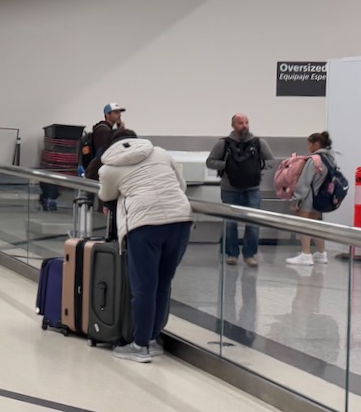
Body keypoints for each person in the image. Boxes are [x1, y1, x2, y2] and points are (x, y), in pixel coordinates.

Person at [97, 135, 194, 364]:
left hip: (144, 226)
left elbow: (106, 195)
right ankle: (151, 339)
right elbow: (182, 185)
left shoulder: (109, 170)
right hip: (180, 220)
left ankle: (139, 346)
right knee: (163, 283)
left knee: (143, 287)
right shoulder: (160, 153)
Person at [207, 114, 275, 268]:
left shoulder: (259, 143)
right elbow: (210, 162)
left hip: (252, 189)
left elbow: (271, 161)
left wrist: (258, 166)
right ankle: (232, 254)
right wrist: (228, 165)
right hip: (230, 189)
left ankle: (249, 254)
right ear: (233, 125)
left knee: (253, 223)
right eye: (240, 123)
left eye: (246, 122)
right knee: (230, 223)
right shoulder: (223, 144)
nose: (244, 125)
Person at [287, 131, 339, 266]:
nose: (308, 147)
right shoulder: (331, 159)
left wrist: (296, 200)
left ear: (316, 144)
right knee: (315, 226)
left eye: (310, 144)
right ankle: (321, 253)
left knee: (304, 226)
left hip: (308, 198)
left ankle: (305, 254)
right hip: (321, 198)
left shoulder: (314, 160)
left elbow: (304, 182)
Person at [83, 103, 128, 180]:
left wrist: (119, 129)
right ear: (107, 115)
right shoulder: (102, 130)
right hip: (100, 170)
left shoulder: (107, 129)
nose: (119, 115)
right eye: (116, 113)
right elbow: (105, 151)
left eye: (120, 113)